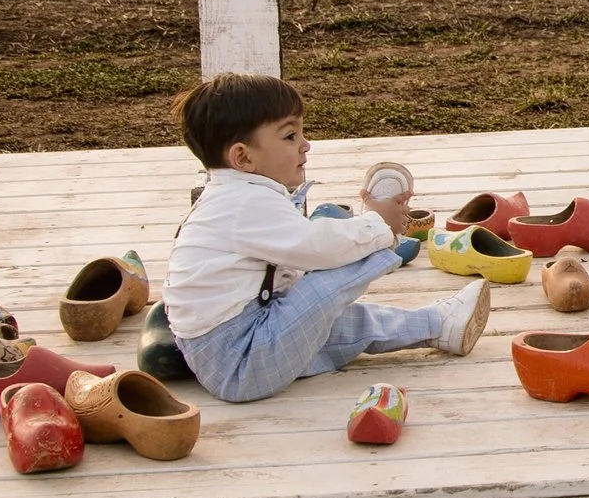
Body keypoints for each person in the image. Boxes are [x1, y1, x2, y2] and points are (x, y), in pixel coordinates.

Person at [164, 73, 489, 403]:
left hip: (237, 349)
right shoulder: (243, 202)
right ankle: (387, 237)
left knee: (347, 325)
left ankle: (438, 325)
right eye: (291, 136)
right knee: (325, 284)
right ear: (244, 158)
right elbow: (316, 249)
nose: (306, 145)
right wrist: (377, 225)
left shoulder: (235, 195)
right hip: (242, 357)